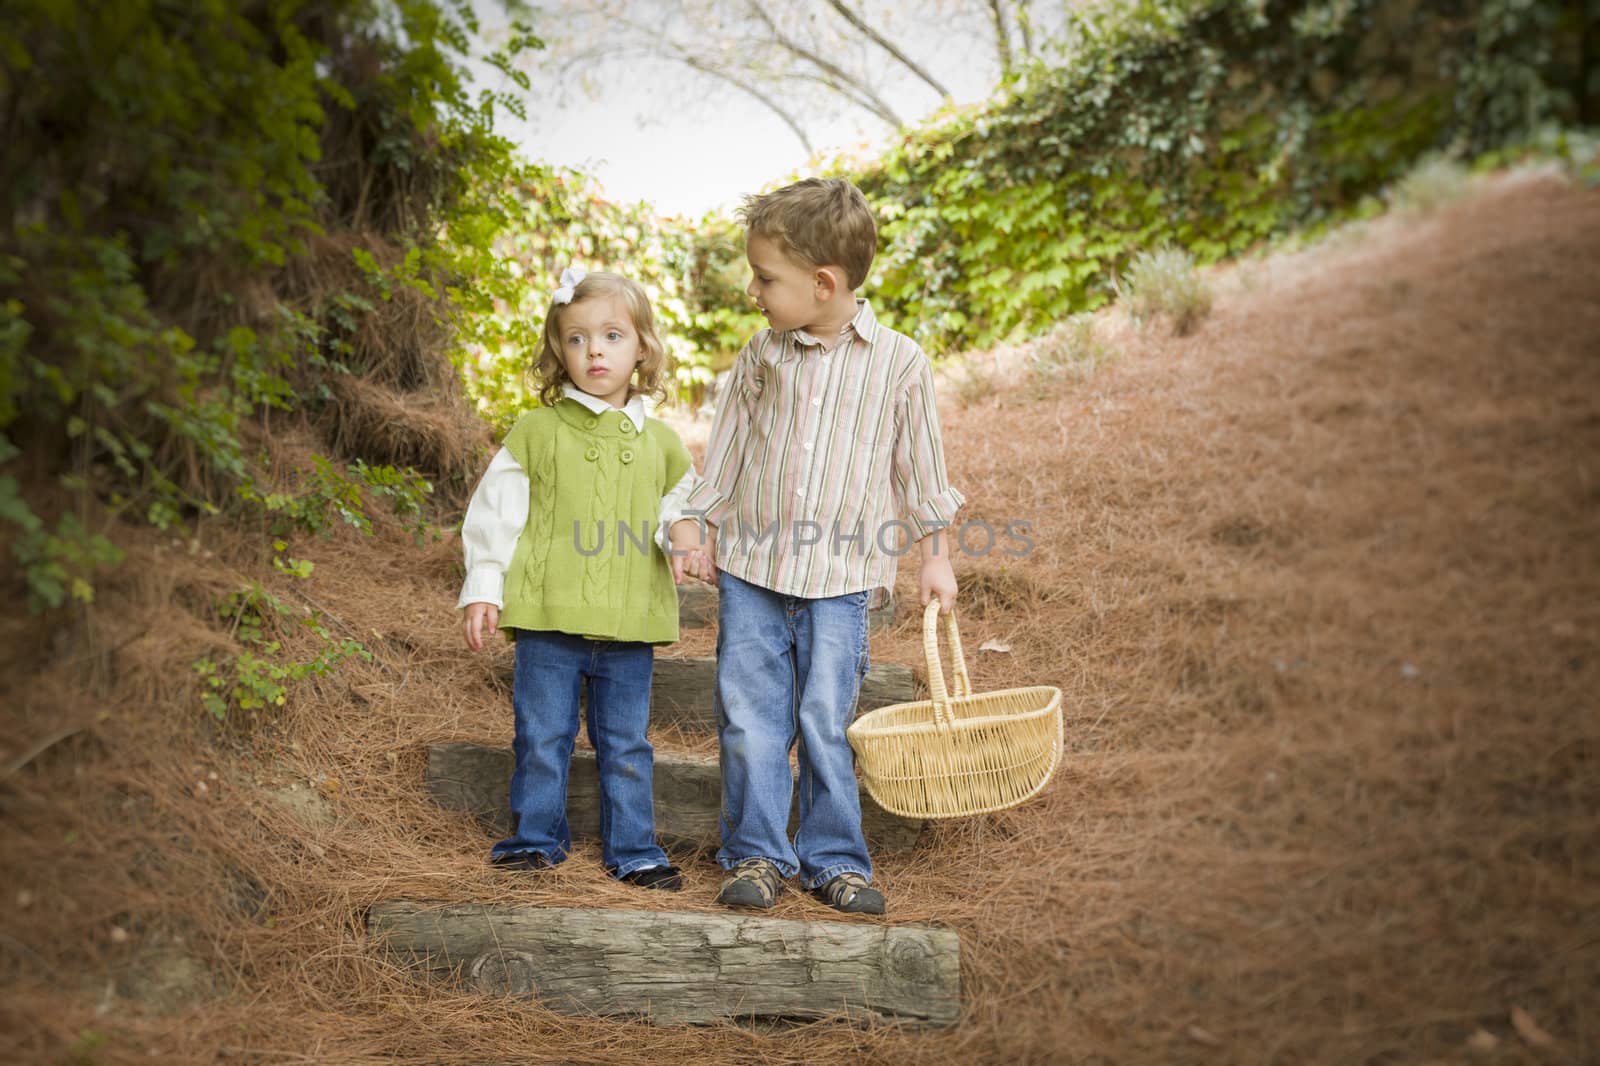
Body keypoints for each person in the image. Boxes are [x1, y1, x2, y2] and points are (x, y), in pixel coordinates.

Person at [666, 178, 964, 915]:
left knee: (825, 720)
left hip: (840, 579)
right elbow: (728, 451)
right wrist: (696, 521)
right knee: (750, 716)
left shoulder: (899, 363)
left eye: (766, 277)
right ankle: (759, 854)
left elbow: (922, 471)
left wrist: (936, 554)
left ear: (823, 283)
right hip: (753, 571)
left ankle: (834, 859)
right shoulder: (761, 356)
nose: (753, 290)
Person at [459, 268, 715, 892]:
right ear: (559, 353)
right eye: (576, 339)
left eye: (611, 335)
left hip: (628, 622)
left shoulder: (661, 442)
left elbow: (677, 506)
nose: (594, 350)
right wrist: (486, 584)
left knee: (626, 743)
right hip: (549, 619)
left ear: (642, 349)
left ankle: (635, 849)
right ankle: (535, 838)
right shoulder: (537, 432)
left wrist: (684, 537)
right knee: (542, 735)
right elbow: (497, 512)